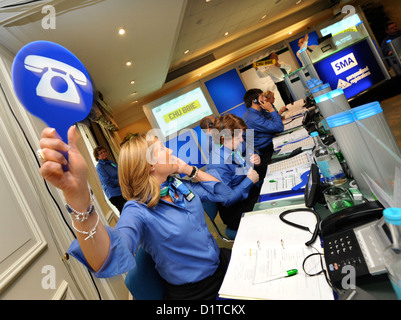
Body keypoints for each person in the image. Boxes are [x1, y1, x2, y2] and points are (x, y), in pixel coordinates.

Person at [38, 126, 233, 300]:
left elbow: (224, 193)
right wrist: (78, 198)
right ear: (150, 165)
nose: (171, 150)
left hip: (220, 263)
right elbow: (107, 258)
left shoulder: (177, 186)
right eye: (163, 149)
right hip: (197, 291)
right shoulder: (137, 209)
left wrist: (188, 169)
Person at [206, 114, 261, 231]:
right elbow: (226, 200)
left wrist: (255, 161)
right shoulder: (216, 164)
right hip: (235, 211)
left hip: (248, 195)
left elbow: (236, 173)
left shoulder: (231, 148)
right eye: (238, 137)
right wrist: (249, 181)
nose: (241, 140)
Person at [242, 88, 284, 179]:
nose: (265, 99)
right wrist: (271, 109)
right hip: (265, 151)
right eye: (262, 97)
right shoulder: (252, 117)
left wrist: (270, 111)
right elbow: (279, 127)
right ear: (255, 101)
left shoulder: (259, 111)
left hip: (271, 143)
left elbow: (275, 121)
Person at [93, 146, 126, 213]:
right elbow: (106, 181)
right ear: (97, 156)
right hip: (114, 194)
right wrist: (119, 182)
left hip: (121, 190)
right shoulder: (99, 167)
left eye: (104, 151)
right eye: (101, 153)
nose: (104, 153)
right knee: (124, 212)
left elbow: (119, 171)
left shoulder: (110, 162)